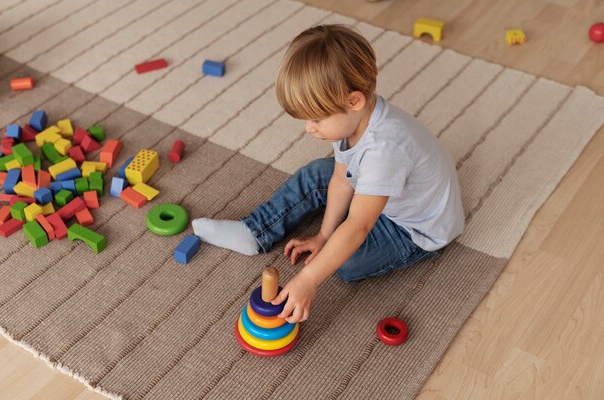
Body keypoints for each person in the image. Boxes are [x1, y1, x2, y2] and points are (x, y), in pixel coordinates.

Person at [192, 24, 464, 324]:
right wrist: (324, 234)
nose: (309, 128)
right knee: (315, 175)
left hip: (414, 228)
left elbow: (359, 225)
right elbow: (340, 178)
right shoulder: (350, 122)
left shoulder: (384, 149)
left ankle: (332, 248)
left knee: (344, 264)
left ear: (354, 101)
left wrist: (309, 278)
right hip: (383, 190)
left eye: (316, 119)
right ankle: (254, 232)